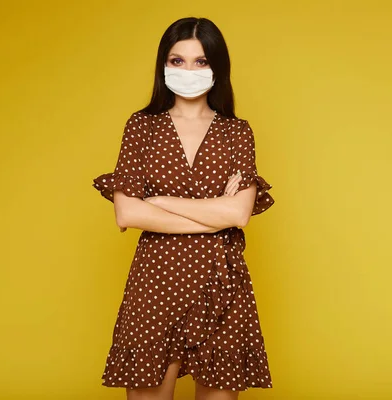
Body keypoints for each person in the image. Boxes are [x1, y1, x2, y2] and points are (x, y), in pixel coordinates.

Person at [92, 16, 275, 400]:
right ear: (163, 65)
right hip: (155, 282)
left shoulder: (236, 132)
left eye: (201, 61)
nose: (188, 70)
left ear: (217, 68)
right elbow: (128, 214)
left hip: (221, 284)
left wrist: (160, 202)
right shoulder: (142, 128)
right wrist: (216, 210)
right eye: (177, 61)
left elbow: (239, 215)